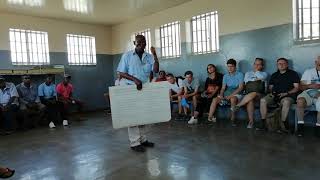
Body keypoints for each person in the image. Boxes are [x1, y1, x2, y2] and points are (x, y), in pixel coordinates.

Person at [117, 35, 159, 152]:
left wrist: (155, 55)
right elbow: (121, 72)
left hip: (144, 89)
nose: (141, 43)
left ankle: (143, 139)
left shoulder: (149, 57)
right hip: (131, 89)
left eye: (143, 42)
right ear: (135, 43)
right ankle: (134, 143)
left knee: (143, 116)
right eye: (138, 42)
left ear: (145, 43)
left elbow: (155, 70)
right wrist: (135, 80)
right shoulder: (127, 56)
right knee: (133, 116)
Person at [258, 58, 300, 133]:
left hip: (288, 95)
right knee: (263, 100)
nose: (281, 65)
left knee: (286, 101)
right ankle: (263, 123)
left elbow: (296, 88)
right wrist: (272, 93)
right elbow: (270, 88)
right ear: (277, 65)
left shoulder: (293, 74)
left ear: (287, 65)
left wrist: (286, 93)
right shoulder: (274, 75)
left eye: (283, 63)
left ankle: (283, 125)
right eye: (279, 64)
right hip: (275, 95)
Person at [231, 58, 268, 128]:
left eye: (258, 64)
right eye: (255, 64)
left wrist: (256, 72)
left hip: (260, 94)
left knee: (254, 93)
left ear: (262, 66)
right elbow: (246, 81)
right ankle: (251, 122)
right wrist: (256, 79)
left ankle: (238, 106)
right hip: (249, 94)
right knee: (250, 100)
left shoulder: (264, 73)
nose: (256, 65)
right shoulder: (248, 73)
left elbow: (261, 77)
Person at [208, 59, 244, 126]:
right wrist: (221, 94)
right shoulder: (225, 76)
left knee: (232, 99)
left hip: (237, 93)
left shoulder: (240, 74)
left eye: (231, 66)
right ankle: (210, 117)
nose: (229, 68)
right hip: (227, 93)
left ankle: (232, 119)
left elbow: (240, 88)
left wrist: (230, 96)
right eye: (228, 66)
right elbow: (223, 88)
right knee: (215, 99)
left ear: (235, 67)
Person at [296, 56, 320, 137]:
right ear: (315, 63)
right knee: (300, 101)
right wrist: (310, 86)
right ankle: (300, 126)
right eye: (319, 63)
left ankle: (318, 128)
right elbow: (301, 87)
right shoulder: (308, 72)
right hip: (308, 92)